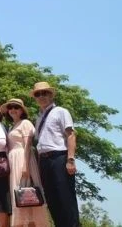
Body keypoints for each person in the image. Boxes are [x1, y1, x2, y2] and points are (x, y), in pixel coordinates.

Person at [32, 81, 80, 227]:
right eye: (38, 94)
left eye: (45, 93)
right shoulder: (38, 117)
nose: (42, 96)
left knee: (65, 197)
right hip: (44, 160)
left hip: (59, 157)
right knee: (52, 199)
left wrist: (70, 159)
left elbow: (70, 135)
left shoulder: (61, 111)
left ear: (51, 95)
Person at [0, 98, 50, 227]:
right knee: (18, 197)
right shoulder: (12, 126)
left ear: (22, 110)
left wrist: (25, 166)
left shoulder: (25, 123)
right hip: (13, 161)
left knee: (27, 195)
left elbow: (28, 146)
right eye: (10, 108)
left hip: (23, 158)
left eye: (16, 107)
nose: (13, 110)